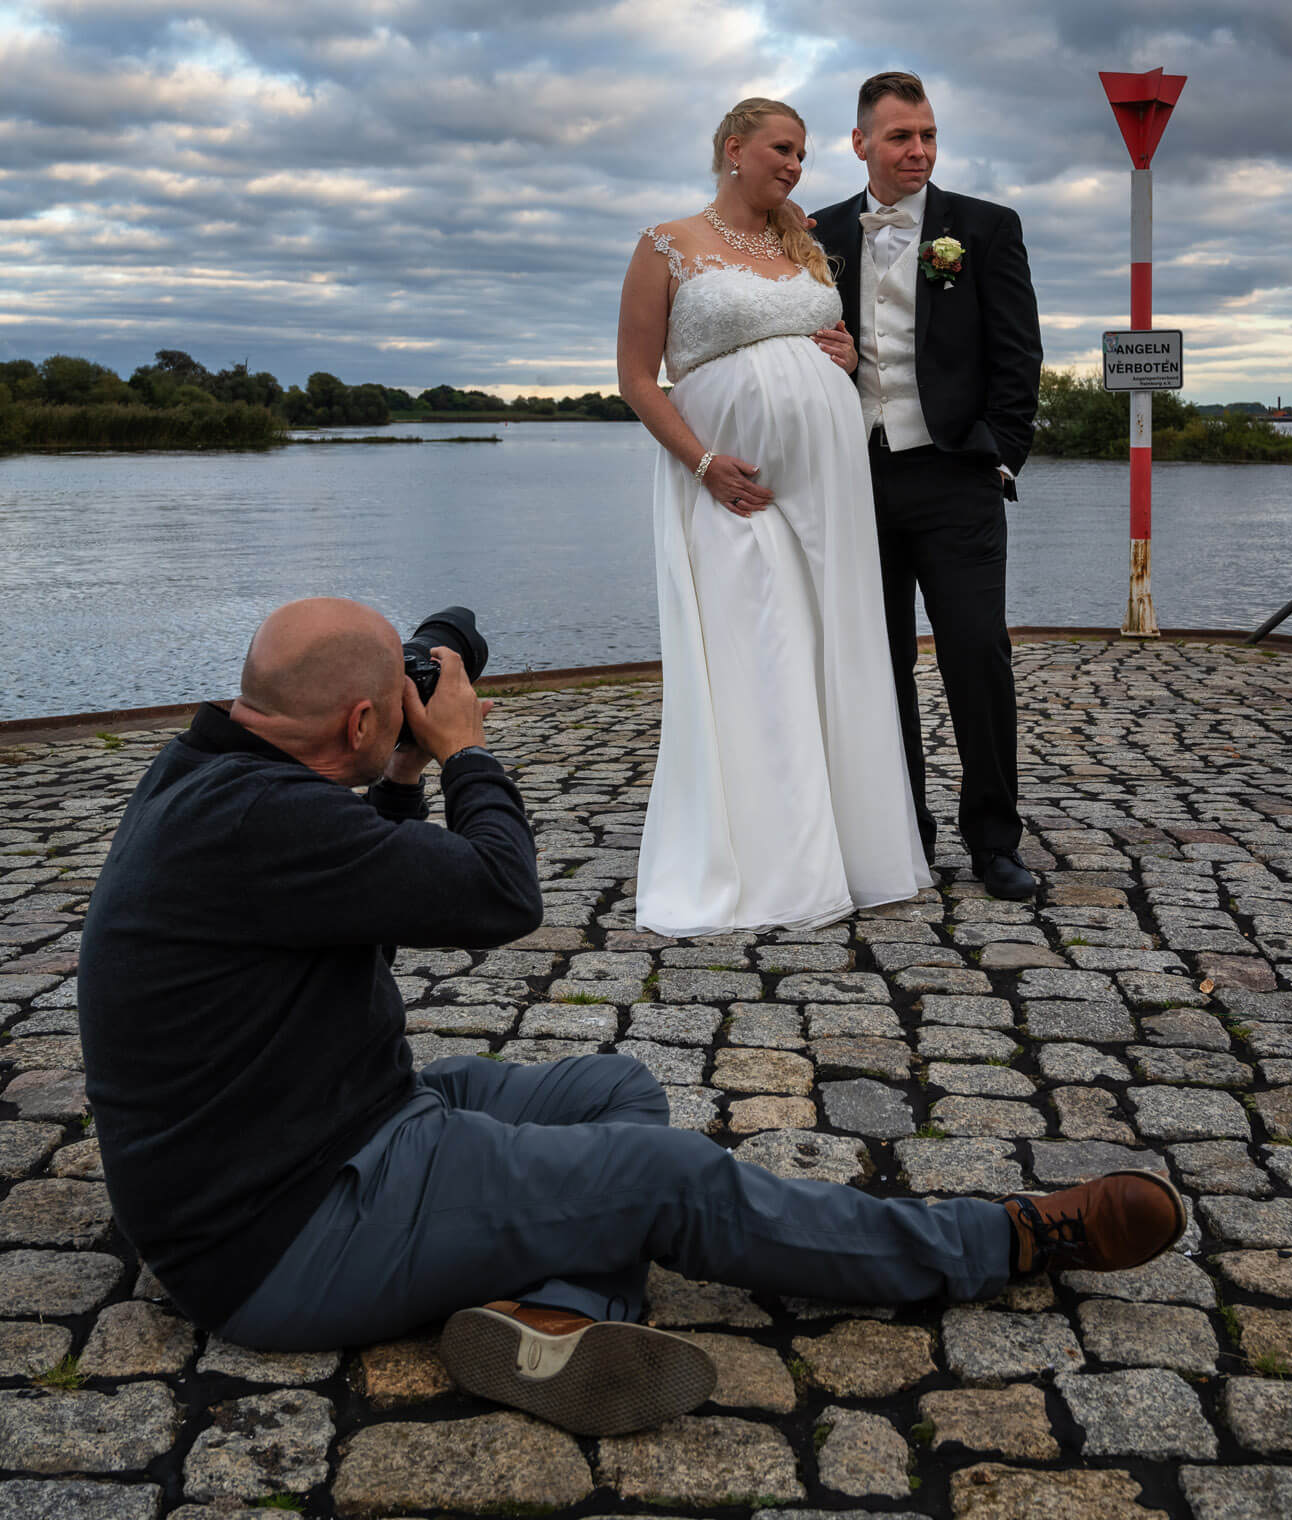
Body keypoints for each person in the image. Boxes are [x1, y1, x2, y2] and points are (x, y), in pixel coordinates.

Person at [79, 596, 1187, 1438]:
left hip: (325, 1126)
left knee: (618, 1090)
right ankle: (996, 1241)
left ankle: (556, 1321)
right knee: (664, 1177)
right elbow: (499, 895)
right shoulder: (269, 825)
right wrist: (465, 752)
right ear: (363, 715)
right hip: (287, 1230)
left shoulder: (207, 773)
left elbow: (351, 881)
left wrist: (394, 775)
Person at [617, 97, 930, 937]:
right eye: (783, 150)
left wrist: (848, 355)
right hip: (729, 485)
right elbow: (639, 380)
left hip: (828, 485)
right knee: (757, 648)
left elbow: (829, 342)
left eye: (803, 154)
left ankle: (854, 851)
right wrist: (706, 462)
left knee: (835, 643)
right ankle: (769, 860)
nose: (796, 166)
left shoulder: (804, 244)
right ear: (733, 149)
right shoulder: (666, 244)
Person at [808, 72, 1044, 901]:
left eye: (930, 136)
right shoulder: (814, 232)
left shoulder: (984, 228)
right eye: (902, 136)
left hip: (956, 481)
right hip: (853, 479)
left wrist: (1000, 455)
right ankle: (903, 832)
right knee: (880, 664)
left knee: (978, 656)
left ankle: (994, 841)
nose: (919, 151)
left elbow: (1019, 359)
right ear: (861, 143)